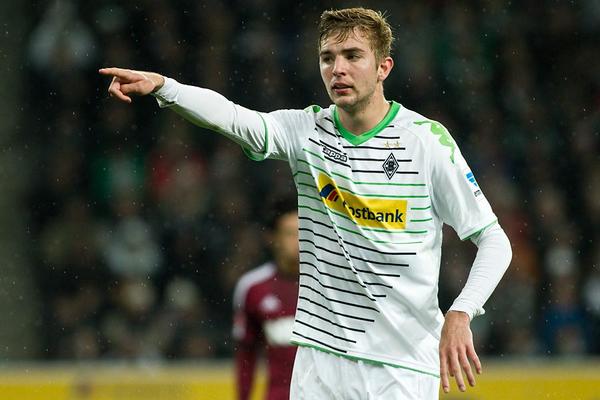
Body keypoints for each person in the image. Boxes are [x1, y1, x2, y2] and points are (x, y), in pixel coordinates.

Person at [99, 7, 512, 399]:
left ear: (384, 67)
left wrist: (461, 312)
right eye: (328, 58)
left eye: (353, 56)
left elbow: (494, 240)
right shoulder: (307, 132)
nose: (338, 69)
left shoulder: (426, 142)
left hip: (401, 366)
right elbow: (235, 118)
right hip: (319, 362)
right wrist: (165, 87)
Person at [232, 195, 299, 400]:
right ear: (273, 238)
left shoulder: (329, 286)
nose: (298, 241)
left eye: (303, 233)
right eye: (290, 233)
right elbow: (246, 355)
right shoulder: (253, 288)